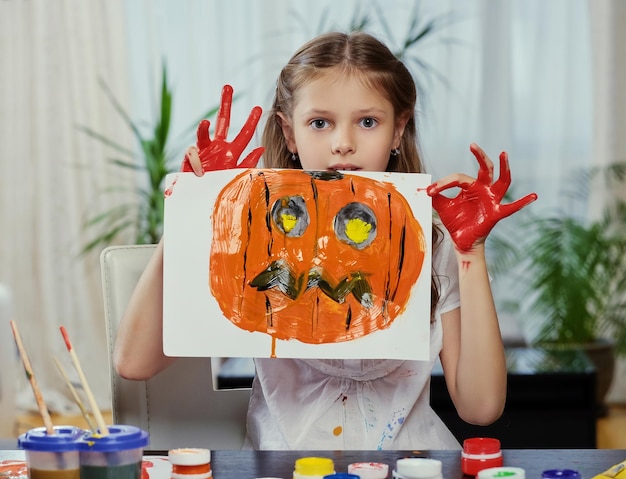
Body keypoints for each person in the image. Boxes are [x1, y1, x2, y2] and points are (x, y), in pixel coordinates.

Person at [114, 31, 537, 450]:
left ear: (398, 130)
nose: (343, 144)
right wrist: (193, 208)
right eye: (320, 123)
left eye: (368, 121)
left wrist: (470, 254)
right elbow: (134, 364)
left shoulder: (433, 243)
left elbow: (480, 408)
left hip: (411, 462)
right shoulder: (252, 235)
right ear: (289, 133)